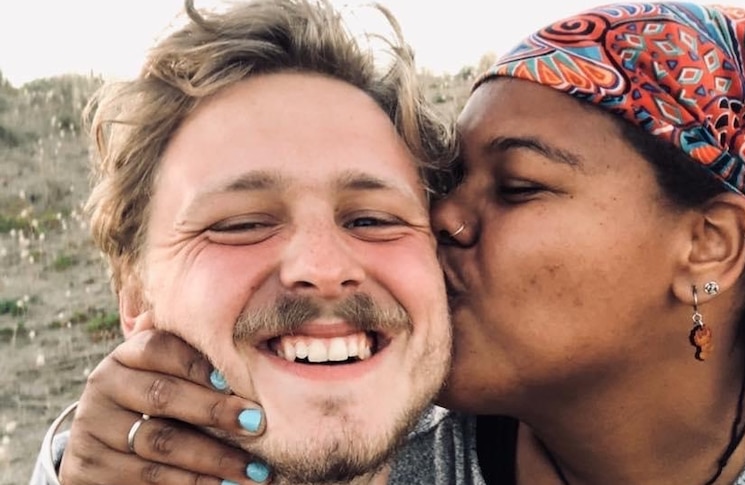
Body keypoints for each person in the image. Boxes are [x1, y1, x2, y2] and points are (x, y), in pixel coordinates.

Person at [34, 1, 745, 484]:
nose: (441, 222)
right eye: (445, 183)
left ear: (708, 246)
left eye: (518, 186)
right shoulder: (392, 444)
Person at [28, 0, 459, 484]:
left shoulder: (531, 445)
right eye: (241, 225)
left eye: (373, 220)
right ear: (134, 295)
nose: (322, 267)